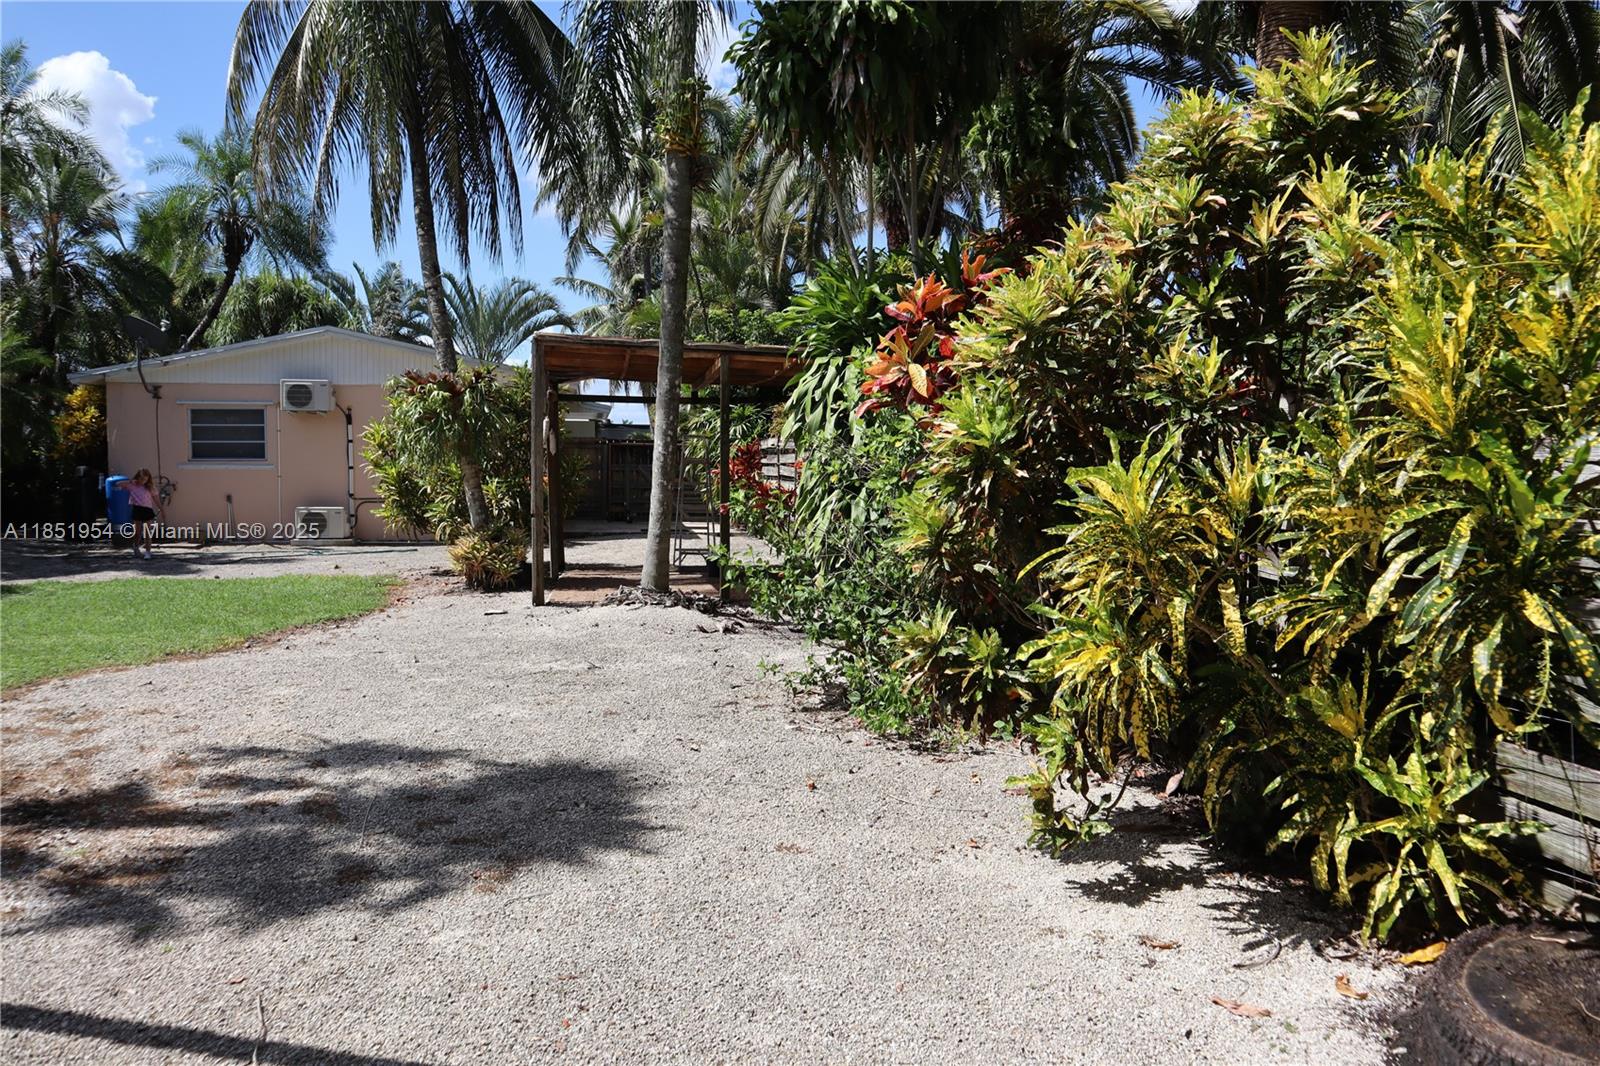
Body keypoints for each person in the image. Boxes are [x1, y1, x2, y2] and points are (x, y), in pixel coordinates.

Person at [115, 468, 161, 559]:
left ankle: (148, 552)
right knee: (138, 532)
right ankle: (136, 548)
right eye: (141, 478)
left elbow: (157, 500)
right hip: (137, 510)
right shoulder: (132, 485)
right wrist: (131, 481)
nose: (143, 481)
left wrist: (162, 510)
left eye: (146, 479)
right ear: (138, 477)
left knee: (147, 532)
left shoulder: (150, 487)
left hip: (147, 510)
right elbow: (118, 484)